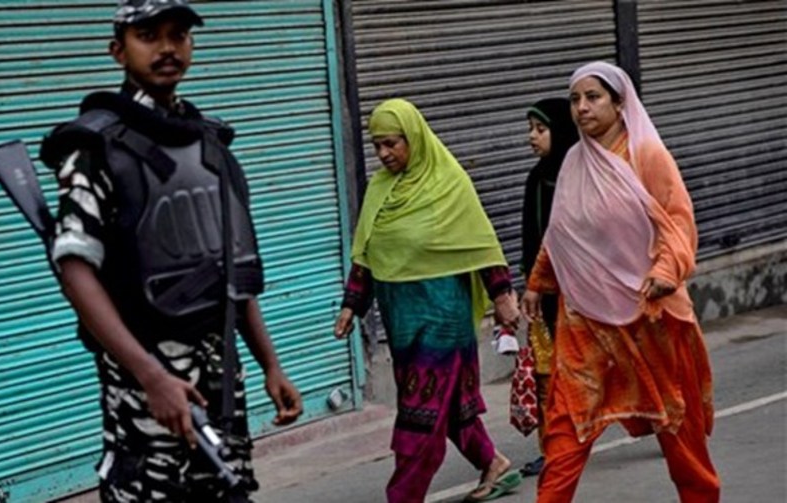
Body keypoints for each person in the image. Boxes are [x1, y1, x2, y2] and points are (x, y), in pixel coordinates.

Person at [40, 1, 302, 501]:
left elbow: (230, 269)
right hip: (147, 382)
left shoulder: (210, 144)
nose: (166, 48)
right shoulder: (94, 147)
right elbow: (73, 268)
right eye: (148, 36)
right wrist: (150, 376)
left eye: (178, 35)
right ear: (118, 51)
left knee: (228, 491)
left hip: (221, 377)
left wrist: (270, 363)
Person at [522, 61, 720, 502]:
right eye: (575, 99)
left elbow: (677, 221)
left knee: (678, 426)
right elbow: (562, 233)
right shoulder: (574, 162)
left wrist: (666, 271)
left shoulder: (646, 155)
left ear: (618, 102)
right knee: (566, 425)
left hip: (650, 315)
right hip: (585, 319)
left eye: (593, 97)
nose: (582, 107)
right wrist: (537, 282)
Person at [334, 99, 523, 503]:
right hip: (401, 319)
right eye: (377, 145)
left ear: (414, 138)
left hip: (442, 317)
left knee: (420, 413)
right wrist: (352, 304)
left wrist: (502, 295)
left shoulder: (448, 183)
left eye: (391, 144)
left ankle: (403, 496)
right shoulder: (381, 189)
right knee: (446, 403)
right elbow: (367, 250)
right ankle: (492, 462)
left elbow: (480, 243)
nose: (383, 154)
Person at [518, 97, 579, 477]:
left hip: (584, 295)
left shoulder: (583, 177)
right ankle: (553, 447)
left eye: (540, 129)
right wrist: (531, 284)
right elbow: (531, 238)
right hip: (544, 296)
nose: (532, 137)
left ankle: (658, 419)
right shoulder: (536, 179)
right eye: (530, 129)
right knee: (546, 374)